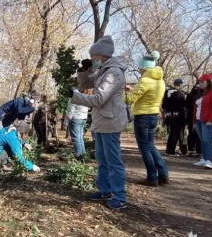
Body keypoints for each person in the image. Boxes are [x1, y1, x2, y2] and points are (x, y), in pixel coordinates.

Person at [69, 35, 129, 210]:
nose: (93, 60)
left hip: (110, 121)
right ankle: (105, 189)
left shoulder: (113, 73)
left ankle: (120, 196)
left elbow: (98, 99)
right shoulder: (103, 71)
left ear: (102, 56)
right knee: (102, 158)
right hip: (102, 120)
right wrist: (84, 71)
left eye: (94, 57)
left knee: (113, 159)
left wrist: (73, 97)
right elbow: (86, 84)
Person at [124, 51, 169, 187]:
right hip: (154, 115)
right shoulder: (160, 81)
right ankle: (163, 174)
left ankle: (151, 177)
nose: (138, 70)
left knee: (144, 148)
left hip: (142, 116)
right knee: (151, 146)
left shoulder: (144, 80)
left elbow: (130, 99)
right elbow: (148, 94)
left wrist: (119, 93)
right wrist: (133, 89)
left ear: (144, 68)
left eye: (139, 68)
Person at [193, 74, 212, 169]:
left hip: (207, 120)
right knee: (202, 140)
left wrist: (210, 120)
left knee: (207, 140)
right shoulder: (202, 93)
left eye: (203, 82)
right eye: (200, 82)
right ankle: (204, 158)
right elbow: (196, 108)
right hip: (198, 120)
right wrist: (194, 121)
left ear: (208, 82)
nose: (200, 84)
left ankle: (209, 161)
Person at [162, 79, 187, 156]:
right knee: (175, 134)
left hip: (169, 116)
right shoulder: (180, 93)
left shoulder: (166, 92)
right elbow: (183, 105)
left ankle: (169, 150)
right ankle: (171, 151)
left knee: (172, 133)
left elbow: (163, 106)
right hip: (177, 116)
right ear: (180, 85)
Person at [185, 82, 202, 156]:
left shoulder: (190, 95)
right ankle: (199, 150)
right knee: (198, 133)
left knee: (191, 132)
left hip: (190, 116)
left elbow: (186, 106)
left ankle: (191, 149)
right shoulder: (201, 95)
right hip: (198, 116)